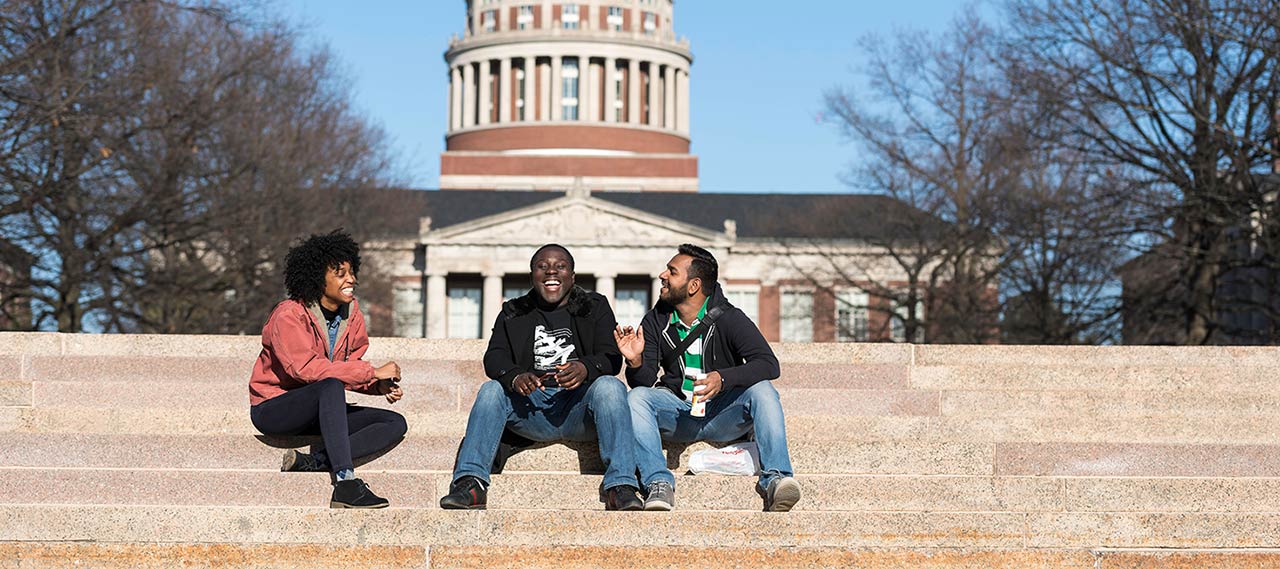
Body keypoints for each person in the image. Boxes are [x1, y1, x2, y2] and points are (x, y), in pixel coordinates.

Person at [439, 244, 643, 511]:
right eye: (542, 266)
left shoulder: (594, 306)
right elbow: (494, 358)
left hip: (578, 408)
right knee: (492, 390)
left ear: (572, 275)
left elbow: (611, 357)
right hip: (531, 407)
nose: (551, 272)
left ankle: (622, 486)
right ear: (532, 274)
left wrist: (585, 368)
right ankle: (471, 484)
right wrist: (514, 377)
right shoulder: (514, 311)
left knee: (610, 386)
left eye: (560, 266)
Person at [618, 244, 800, 512]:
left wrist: (723, 379)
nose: (662, 275)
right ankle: (658, 482)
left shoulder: (730, 319)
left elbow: (769, 365)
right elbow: (643, 381)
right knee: (636, 397)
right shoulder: (657, 320)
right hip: (678, 412)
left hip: (721, 413)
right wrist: (634, 361)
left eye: (672, 271)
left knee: (763, 390)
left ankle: (776, 479)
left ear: (693, 285)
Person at [249, 230, 408, 509]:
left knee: (394, 423)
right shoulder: (288, 315)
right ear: (316, 278)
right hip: (274, 409)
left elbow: (344, 368)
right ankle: (345, 484)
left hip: (322, 407)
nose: (351, 279)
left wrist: (376, 386)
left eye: (351, 272)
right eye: (340, 273)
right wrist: (371, 372)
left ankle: (312, 462)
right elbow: (306, 369)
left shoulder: (352, 315)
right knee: (330, 385)